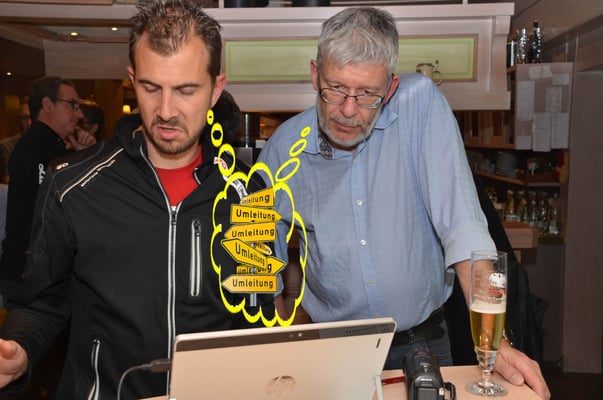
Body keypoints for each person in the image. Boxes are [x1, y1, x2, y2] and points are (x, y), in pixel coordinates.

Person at [258, 7, 550, 400]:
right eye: (335, 88)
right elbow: (261, 262)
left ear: (391, 87)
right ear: (315, 74)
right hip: (332, 352)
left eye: (367, 94)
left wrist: (495, 344)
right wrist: (274, 345)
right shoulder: (283, 148)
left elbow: (463, 226)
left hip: (423, 345)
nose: (348, 110)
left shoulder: (420, 104)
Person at [0, 0, 273, 398]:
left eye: (185, 90)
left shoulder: (247, 192)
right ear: (132, 79)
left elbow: (254, 312)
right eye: (150, 88)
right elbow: (41, 302)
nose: (166, 111)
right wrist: (20, 350)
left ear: (216, 89)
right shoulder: (71, 185)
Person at [0, 77, 96, 291]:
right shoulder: (37, 148)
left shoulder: (51, 147)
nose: (79, 114)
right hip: (31, 276)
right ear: (47, 104)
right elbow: (56, 213)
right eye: (72, 105)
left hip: (36, 272)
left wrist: (82, 156)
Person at [0, 96, 31, 184]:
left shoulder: (49, 144)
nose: (29, 123)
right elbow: (8, 182)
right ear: (19, 119)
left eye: (33, 117)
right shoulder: (6, 146)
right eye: (24, 118)